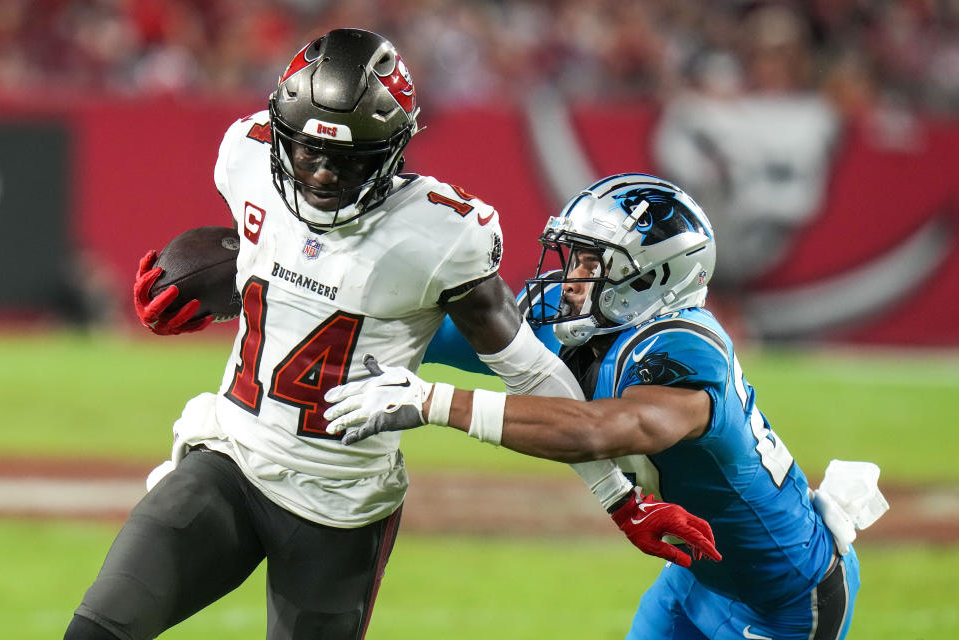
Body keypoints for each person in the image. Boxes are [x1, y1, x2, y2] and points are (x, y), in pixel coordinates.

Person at [64, 31, 719, 640]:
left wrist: (620, 498)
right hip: (230, 461)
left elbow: (529, 369)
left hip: (339, 511)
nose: (319, 174)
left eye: (345, 160)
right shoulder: (247, 154)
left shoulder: (440, 234)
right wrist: (208, 286)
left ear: (393, 150)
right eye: (307, 150)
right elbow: (273, 260)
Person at [325, 173, 888, 640]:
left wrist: (433, 402)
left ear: (651, 277)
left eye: (591, 263)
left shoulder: (683, 347)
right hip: (697, 574)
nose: (569, 278)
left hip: (785, 596)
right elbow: (455, 336)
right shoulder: (580, 320)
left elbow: (600, 431)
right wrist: (349, 310)